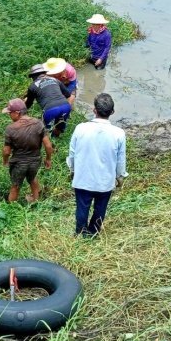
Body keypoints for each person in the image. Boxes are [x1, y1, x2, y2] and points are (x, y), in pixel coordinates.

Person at [67, 93, 126, 237]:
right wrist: (120, 176)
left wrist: (73, 170)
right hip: (105, 181)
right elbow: (120, 159)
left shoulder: (80, 128)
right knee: (100, 208)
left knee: (82, 208)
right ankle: (93, 232)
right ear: (112, 112)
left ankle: (80, 231)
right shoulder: (119, 133)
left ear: (94, 110)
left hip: (83, 178)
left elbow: (72, 153)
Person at [2, 98, 53, 203]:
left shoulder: (10, 129)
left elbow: (6, 151)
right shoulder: (38, 123)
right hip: (35, 161)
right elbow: (48, 146)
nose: (9, 115)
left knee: (16, 185)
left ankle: (10, 208)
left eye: (10, 113)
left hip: (19, 164)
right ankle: (36, 200)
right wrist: (48, 159)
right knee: (32, 178)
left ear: (17, 113)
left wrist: (5, 161)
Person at [25, 64, 72, 137]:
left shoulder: (32, 86)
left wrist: (22, 112)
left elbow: (29, 103)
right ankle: (56, 138)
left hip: (50, 109)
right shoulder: (55, 80)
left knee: (44, 131)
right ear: (44, 73)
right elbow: (68, 94)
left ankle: (47, 144)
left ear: (33, 76)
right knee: (59, 125)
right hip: (66, 106)